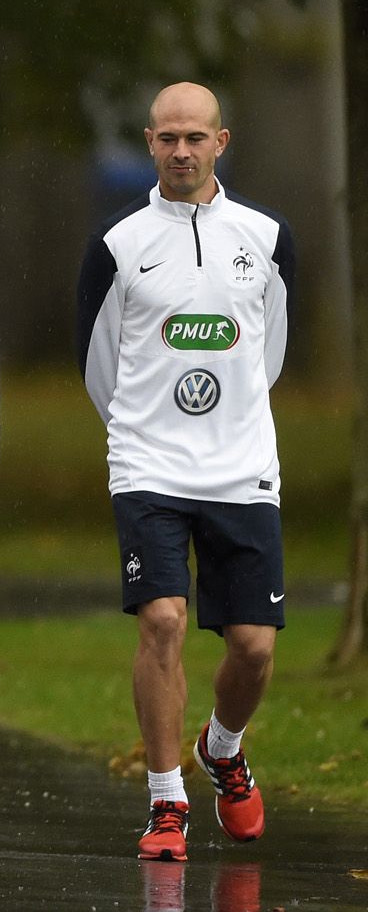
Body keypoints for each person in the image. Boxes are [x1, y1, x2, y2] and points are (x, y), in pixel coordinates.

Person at [76, 83, 289, 862]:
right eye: (167, 138)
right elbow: (98, 365)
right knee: (162, 621)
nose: (181, 152)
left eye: (195, 137)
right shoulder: (119, 243)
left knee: (255, 646)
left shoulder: (266, 237)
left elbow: (269, 355)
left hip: (241, 467)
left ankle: (223, 750)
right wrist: (144, 432)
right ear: (148, 141)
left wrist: (225, 417)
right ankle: (167, 804)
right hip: (148, 464)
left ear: (221, 141)